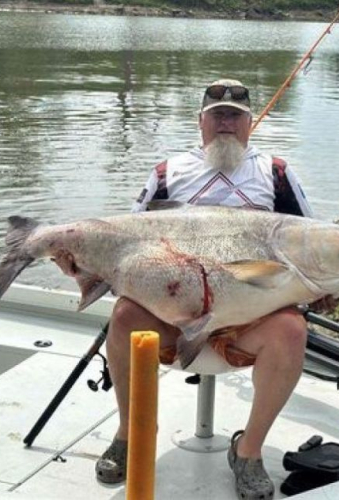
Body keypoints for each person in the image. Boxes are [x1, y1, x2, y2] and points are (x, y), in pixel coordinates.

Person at [96, 79, 315, 500]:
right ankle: (130, 433)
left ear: (250, 124)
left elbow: (306, 243)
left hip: (249, 324)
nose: (226, 124)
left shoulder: (277, 174)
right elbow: (125, 240)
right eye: (218, 116)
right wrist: (89, 267)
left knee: (292, 330)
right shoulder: (167, 173)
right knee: (124, 315)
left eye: (236, 116)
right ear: (201, 122)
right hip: (173, 320)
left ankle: (247, 452)